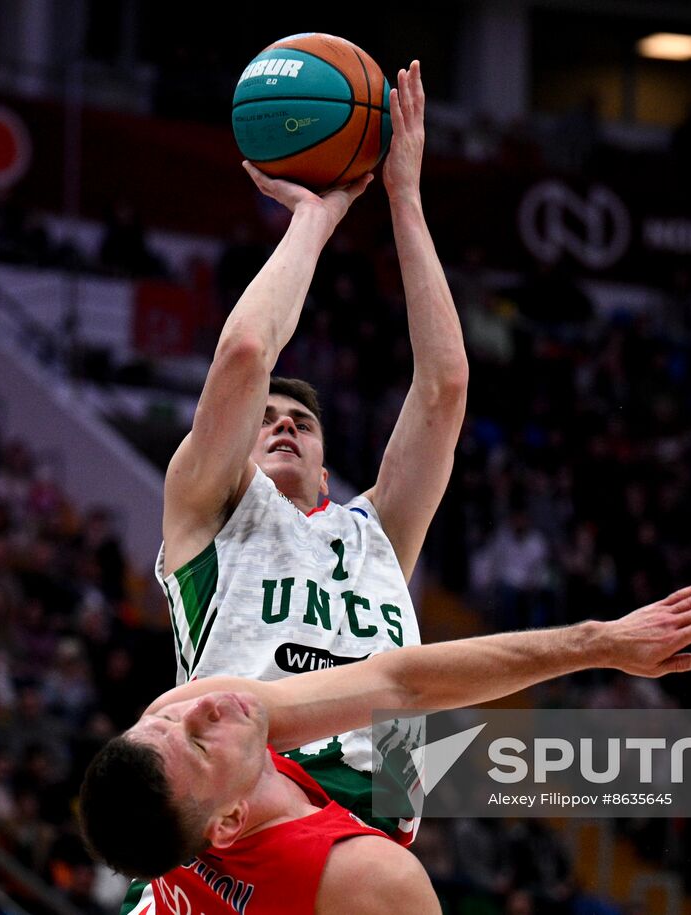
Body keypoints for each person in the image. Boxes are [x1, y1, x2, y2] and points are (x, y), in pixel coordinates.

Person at [157, 61, 466, 832]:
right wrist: (314, 218)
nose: (283, 422)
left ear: (327, 466)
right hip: (249, 808)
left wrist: (405, 199)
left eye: (301, 419)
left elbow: (445, 386)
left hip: (376, 825)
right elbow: (242, 356)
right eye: (264, 419)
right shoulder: (207, 514)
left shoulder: (376, 536)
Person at [80, 582, 691, 913]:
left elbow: (401, 682)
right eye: (199, 738)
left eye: (166, 718)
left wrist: (601, 641)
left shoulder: (183, 747)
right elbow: (404, 685)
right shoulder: (369, 876)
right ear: (225, 820)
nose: (203, 704)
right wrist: (599, 643)